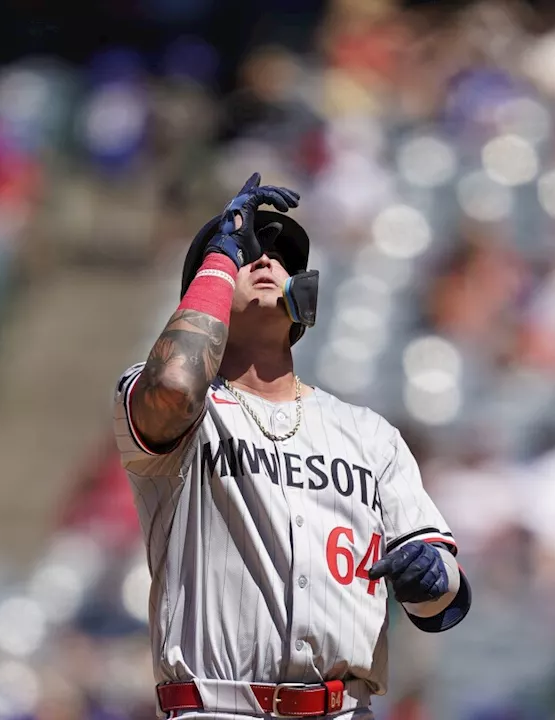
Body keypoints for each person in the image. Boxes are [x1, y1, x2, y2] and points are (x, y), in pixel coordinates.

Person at [111, 173, 471, 719]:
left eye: (279, 255)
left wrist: (433, 574)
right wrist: (217, 258)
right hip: (214, 708)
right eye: (243, 253)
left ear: (302, 294)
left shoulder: (369, 434)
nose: (262, 260)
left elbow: (443, 603)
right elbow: (176, 384)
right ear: (201, 299)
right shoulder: (182, 410)